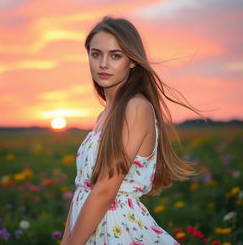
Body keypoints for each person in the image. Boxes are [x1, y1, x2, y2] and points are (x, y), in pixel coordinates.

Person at [61, 16, 203, 245]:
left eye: (115, 55)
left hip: (119, 231)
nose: (103, 63)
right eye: (96, 54)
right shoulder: (105, 114)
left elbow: (105, 190)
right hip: (88, 229)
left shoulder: (136, 107)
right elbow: (82, 190)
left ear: (132, 61)